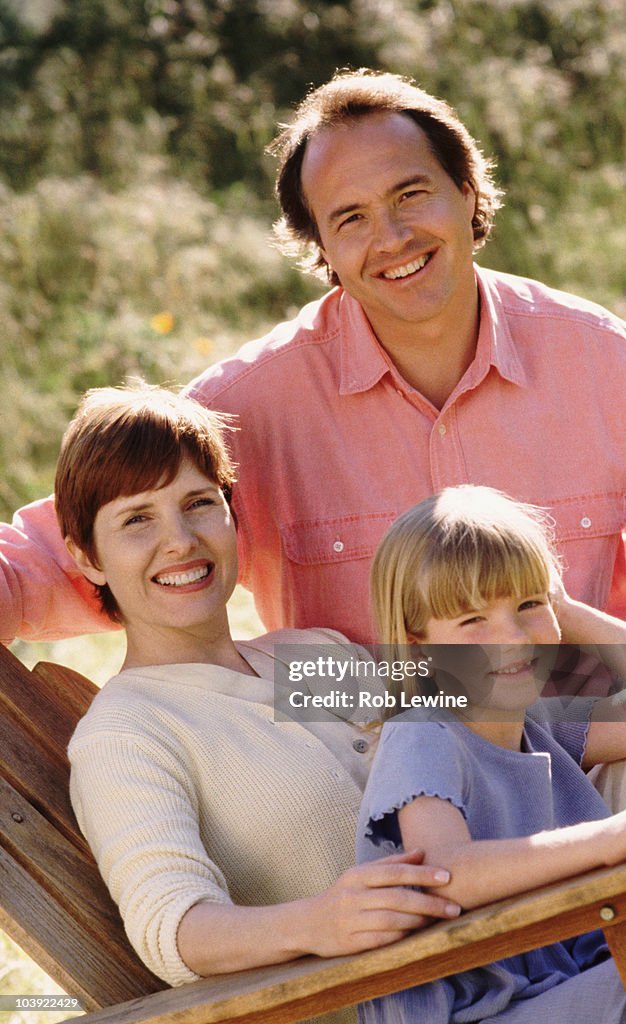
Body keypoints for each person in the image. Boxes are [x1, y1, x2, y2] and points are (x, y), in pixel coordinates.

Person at [3, 68, 626, 647]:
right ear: (322, 250)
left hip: (588, 728)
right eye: (350, 218)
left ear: (468, 194)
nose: (391, 237)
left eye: (411, 194)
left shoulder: (605, 363)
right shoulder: (248, 406)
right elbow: (67, 554)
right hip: (359, 749)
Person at [58, 383, 461, 1023]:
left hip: (505, 955)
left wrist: (581, 629)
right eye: (137, 519)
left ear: (231, 515)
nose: (181, 540)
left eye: (198, 504)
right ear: (87, 557)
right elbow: (174, 925)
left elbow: (505, 701)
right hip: (400, 1006)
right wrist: (318, 923)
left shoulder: (303, 656)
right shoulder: (130, 732)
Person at [356, 485, 626, 1023]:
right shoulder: (423, 733)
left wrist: (568, 614)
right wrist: (611, 835)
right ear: (420, 644)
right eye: (472, 621)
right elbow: (444, 870)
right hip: (487, 1009)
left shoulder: (544, 727)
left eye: (528, 605)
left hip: (573, 979)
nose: (511, 638)